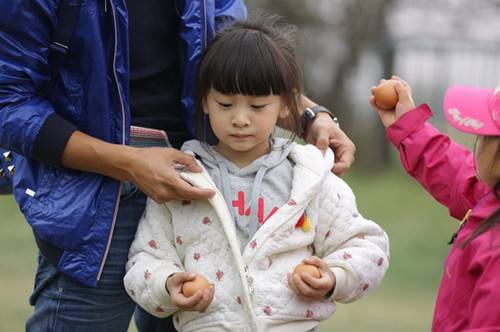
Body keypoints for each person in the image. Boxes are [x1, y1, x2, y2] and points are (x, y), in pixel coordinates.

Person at [0, 1, 356, 331]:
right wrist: (129, 163)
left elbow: (234, 61)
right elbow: (8, 101)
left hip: (204, 183)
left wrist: (308, 115)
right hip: (92, 194)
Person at [124, 15, 389, 332]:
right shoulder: (183, 179)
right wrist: (168, 285)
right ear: (205, 102)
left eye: (257, 106)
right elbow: (144, 258)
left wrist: (332, 276)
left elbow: (367, 247)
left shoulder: (309, 177)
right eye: (225, 104)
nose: (240, 119)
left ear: (286, 105)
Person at [370, 76, 500, 331]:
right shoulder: (492, 199)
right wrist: (409, 128)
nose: (477, 145)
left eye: (483, 137)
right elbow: (458, 174)